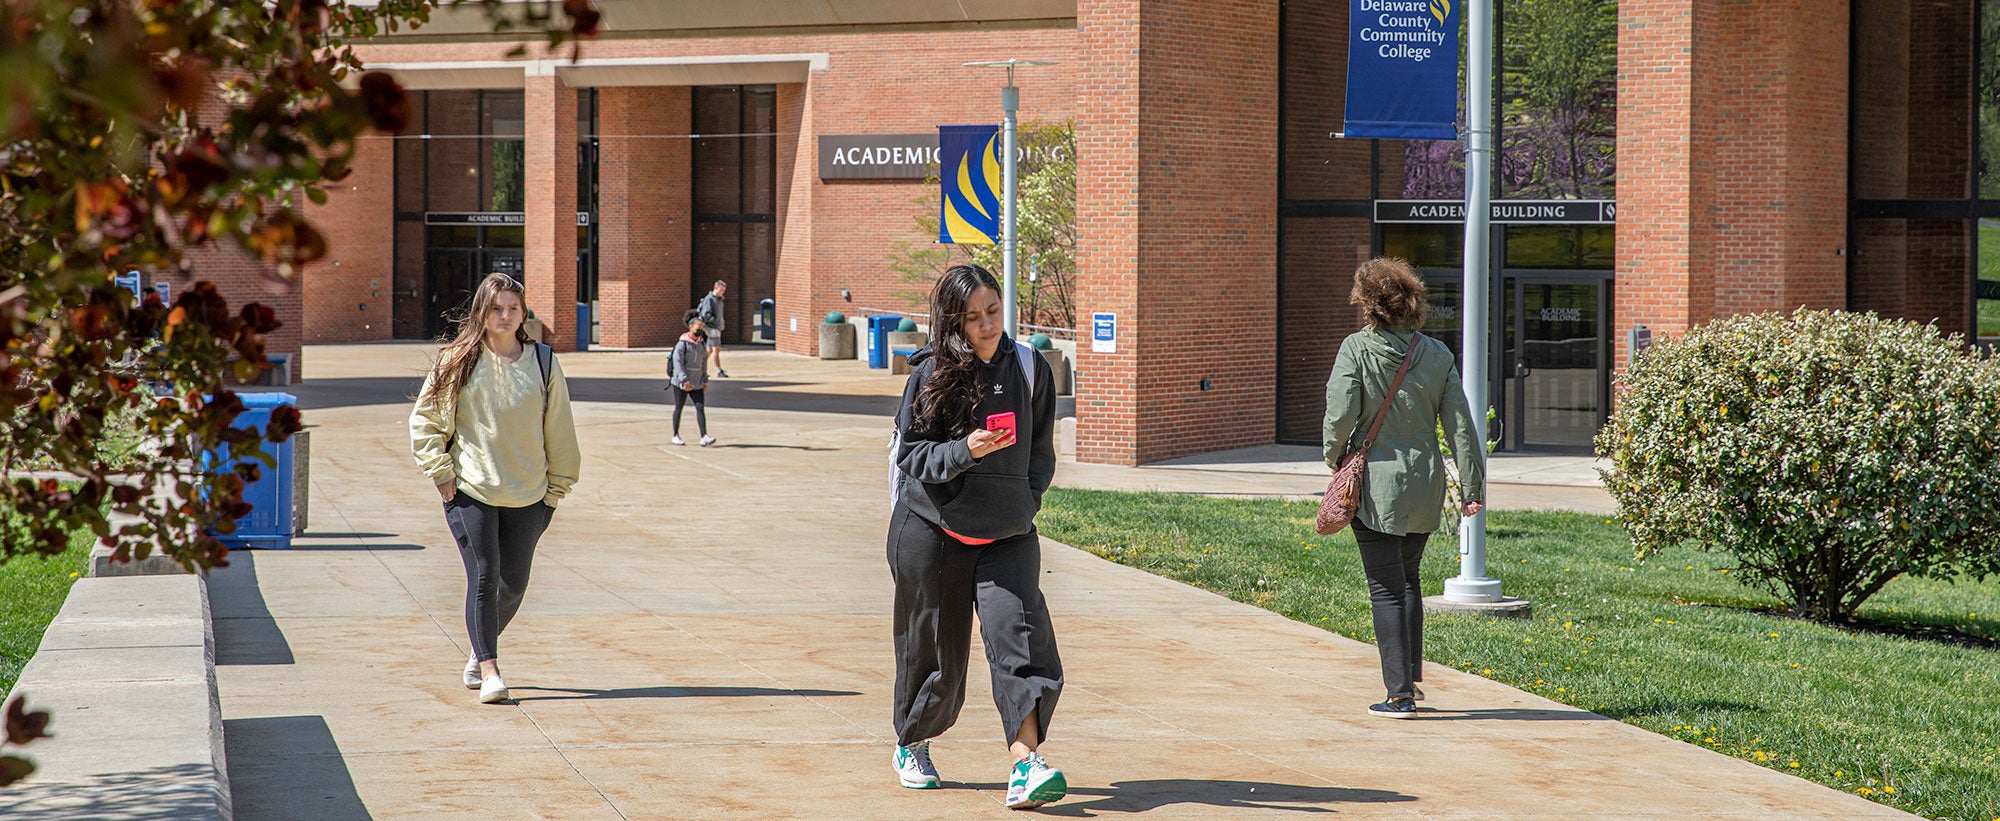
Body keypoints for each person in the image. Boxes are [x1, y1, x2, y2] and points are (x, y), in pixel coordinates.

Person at [886, 264, 1066, 810]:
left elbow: (1040, 453)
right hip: (933, 531)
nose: (988, 325)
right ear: (953, 322)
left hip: (1008, 533)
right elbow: (912, 455)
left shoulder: (1031, 367)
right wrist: (967, 450)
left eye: (993, 311)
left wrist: (1024, 500)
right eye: (973, 317)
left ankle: (1026, 765)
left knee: (1021, 641)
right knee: (939, 659)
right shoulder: (932, 373)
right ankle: (912, 742)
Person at [1322, 257, 1485, 720]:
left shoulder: (1356, 348)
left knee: (1386, 587)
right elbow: (1461, 427)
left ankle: (1398, 695)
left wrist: (1334, 459)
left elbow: (1340, 414)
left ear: (1368, 303)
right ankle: (1409, 679)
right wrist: (1472, 486)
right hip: (1425, 482)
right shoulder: (1436, 354)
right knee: (1408, 578)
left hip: (1375, 484)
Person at [409, 273, 582, 705]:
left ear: (524, 314)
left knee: (514, 584)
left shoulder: (543, 362)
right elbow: (425, 421)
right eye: (496, 308)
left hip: (530, 494)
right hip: (471, 489)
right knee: (484, 575)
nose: (504, 316)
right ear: (481, 313)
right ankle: (490, 669)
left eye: (513, 308)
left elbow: (559, 428)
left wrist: (556, 489)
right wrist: (442, 475)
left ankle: (477, 647)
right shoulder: (458, 360)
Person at [668, 315, 715, 446]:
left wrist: (704, 379)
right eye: (698, 327)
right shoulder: (682, 344)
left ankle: (704, 435)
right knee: (679, 407)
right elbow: (678, 364)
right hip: (681, 383)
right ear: (690, 327)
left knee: (700, 407)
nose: (700, 330)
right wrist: (684, 380)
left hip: (697, 382)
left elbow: (703, 363)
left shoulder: (701, 343)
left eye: (702, 328)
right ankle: (675, 435)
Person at [697, 280, 729, 378]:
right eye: (721, 289)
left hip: (716, 327)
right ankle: (719, 370)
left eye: (724, 290)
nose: (723, 292)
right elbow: (706, 314)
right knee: (716, 348)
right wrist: (714, 321)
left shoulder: (719, 300)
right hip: (712, 327)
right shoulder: (709, 299)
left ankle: (699, 368)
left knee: (710, 349)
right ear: (716, 288)